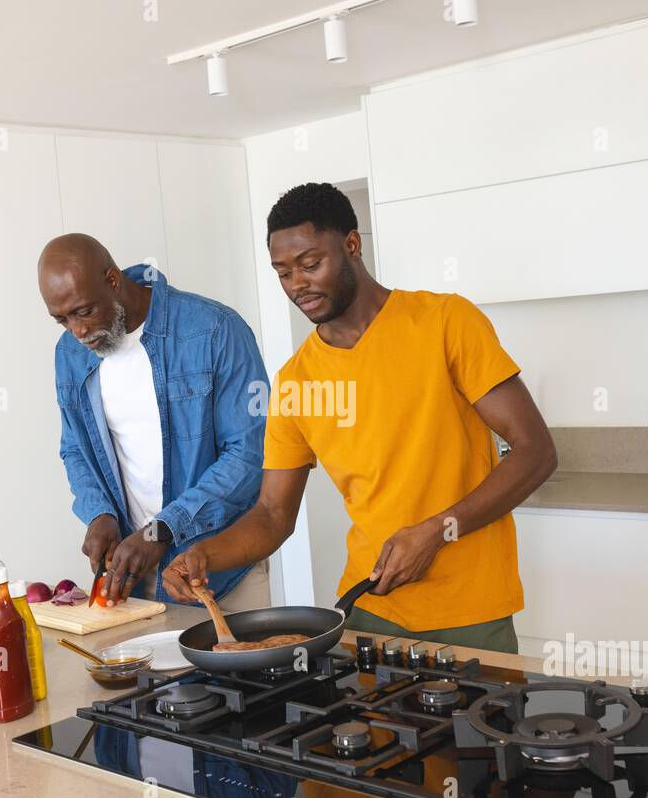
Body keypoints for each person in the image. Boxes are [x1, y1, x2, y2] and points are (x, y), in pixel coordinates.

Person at [162, 183, 556, 651]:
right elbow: (272, 514)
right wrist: (205, 553)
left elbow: (535, 452)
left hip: (470, 611)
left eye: (310, 264)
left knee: (480, 726)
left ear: (352, 245)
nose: (297, 285)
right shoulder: (296, 383)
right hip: (369, 607)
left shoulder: (445, 321)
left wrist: (436, 531)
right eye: (283, 273)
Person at [39, 233, 270, 610]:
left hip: (221, 576)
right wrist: (100, 514)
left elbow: (249, 454)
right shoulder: (70, 353)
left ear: (113, 281)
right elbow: (75, 449)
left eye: (83, 311)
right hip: (132, 578)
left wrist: (163, 529)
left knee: (240, 670)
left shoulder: (215, 330)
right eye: (61, 320)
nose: (77, 332)